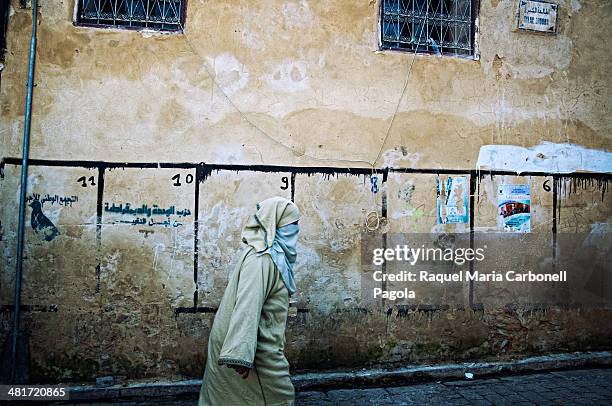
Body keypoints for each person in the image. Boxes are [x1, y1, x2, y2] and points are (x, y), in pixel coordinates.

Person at [198, 196, 301, 406]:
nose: (296, 229)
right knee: (278, 396)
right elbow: (248, 304)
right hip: (250, 347)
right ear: (276, 224)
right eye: (292, 223)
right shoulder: (262, 259)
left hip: (255, 341)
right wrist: (241, 355)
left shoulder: (272, 256)